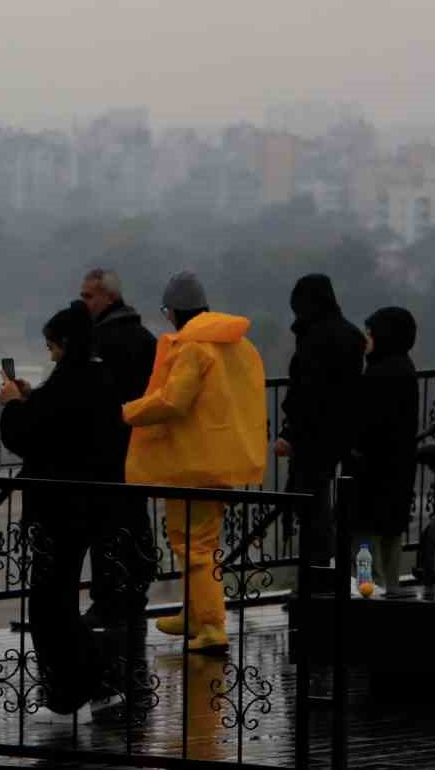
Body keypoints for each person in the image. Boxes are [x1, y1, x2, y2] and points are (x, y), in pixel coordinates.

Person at [122, 272, 267, 655]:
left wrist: (128, 411)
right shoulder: (238, 345)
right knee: (197, 541)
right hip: (219, 460)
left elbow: (174, 401)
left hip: (193, 464)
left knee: (194, 546)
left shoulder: (193, 348)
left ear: (171, 313)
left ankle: (212, 626)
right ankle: (195, 613)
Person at [0, 301, 130, 713]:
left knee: (49, 604)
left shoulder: (70, 381)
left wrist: (11, 404)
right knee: (59, 599)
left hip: (59, 509)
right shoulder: (101, 378)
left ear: (66, 344)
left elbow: (27, 435)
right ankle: (86, 685)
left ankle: (81, 684)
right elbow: (62, 423)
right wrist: (32, 398)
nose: (50, 355)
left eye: (52, 347)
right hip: (94, 505)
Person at [78, 268, 159, 626]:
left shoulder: (100, 341)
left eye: (88, 296)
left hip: (105, 446)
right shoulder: (146, 337)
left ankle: (107, 597)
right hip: (140, 444)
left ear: (108, 297)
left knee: (105, 525)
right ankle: (136, 589)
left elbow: (92, 396)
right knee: (135, 518)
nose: (84, 303)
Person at [276, 274, 366, 570]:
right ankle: (341, 571)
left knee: (312, 507)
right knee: (342, 505)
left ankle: (315, 576)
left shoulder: (313, 337)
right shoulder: (352, 336)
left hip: (312, 434)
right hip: (346, 430)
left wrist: (289, 431)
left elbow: (304, 390)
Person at [346, 307, 419, 597]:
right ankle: (392, 584)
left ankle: (366, 584)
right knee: (392, 528)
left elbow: (366, 421)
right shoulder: (404, 367)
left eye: (371, 334)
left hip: (372, 465)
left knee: (365, 532)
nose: (367, 340)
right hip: (398, 463)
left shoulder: (380, 373)